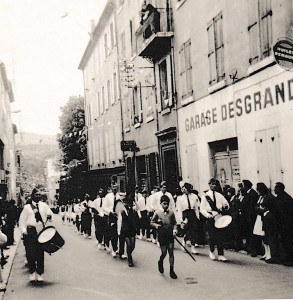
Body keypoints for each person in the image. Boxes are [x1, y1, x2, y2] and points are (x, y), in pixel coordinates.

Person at [19, 188, 53, 282]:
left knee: (40, 253)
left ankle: (39, 273)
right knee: (30, 253)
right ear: (32, 196)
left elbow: (50, 215)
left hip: (41, 231)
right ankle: (32, 272)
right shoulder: (27, 208)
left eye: (39, 194)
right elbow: (21, 221)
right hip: (30, 231)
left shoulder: (44, 206)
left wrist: (50, 216)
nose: (38, 196)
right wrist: (23, 231)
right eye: (36, 194)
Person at [200, 178, 230, 261]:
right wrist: (207, 215)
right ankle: (211, 251)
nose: (213, 186)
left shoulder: (219, 195)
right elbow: (202, 209)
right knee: (212, 236)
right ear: (209, 184)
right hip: (210, 217)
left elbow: (226, 204)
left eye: (215, 184)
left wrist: (225, 206)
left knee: (220, 236)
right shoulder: (205, 197)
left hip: (219, 216)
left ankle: (221, 254)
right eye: (212, 184)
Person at [151, 195, 178, 279]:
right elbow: (151, 222)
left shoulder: (171, 213)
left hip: (170, 235)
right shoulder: (157, 213)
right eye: (164, 203)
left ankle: (171, 270)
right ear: (160, 203)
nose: (166, 205)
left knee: (171, 252)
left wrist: (175, 230)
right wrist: (157, 226)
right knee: (164, 252)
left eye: (167, 204)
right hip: (162, 235)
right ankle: (160, 261)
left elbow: (175, 223)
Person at [254, 182, 279, 263]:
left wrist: (259, 209)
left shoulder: (268, 198)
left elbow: (264, 209)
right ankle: (266, 253)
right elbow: (258, 207)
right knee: (263, 237)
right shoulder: (261, 197)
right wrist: (259, 209)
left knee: (267, 236)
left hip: (265, 219)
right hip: (261, 218)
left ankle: (270, 254)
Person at [176, 182, 201, 254]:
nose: (184, 190)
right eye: (183, 189)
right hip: (185, 214)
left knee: (194, 231)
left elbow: (196, 207)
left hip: (192, 214)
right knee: (187, 230)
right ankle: (184, 241)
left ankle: (193, 247)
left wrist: (197, 216)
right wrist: (181, 220)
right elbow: (179, 209)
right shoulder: (180, 198)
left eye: (186, 188)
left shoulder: (194, 196)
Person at [274, 182, 293, 266]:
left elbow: (286, 213)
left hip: (286, 224)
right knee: (284, 241)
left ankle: (289, 259)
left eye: (276, 188)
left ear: (280, 189)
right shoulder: (280, 197)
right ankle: (286, 258)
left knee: (288, 241)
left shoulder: (286, 198)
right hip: (282, 224)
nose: (274, 190)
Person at [117, 195, 139, 267]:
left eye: (128, 203)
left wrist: (135, 200)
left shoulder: (132, 210)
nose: (126, 204)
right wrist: (119, 231)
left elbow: (138, 208)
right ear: (123, 203)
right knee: (129, 244)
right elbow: (119, 221)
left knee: (132, 245)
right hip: (125, 230)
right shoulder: (122, 212)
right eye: (125, 203)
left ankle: (129, 253)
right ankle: (130, 259)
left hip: (132, 230)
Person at [241, 180, 260, 257]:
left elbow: (251, 207)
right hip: (247, 217)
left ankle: (254, 250)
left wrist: (249, 217)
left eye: (243, 186)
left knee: (253, 234)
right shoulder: (248, 193)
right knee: (249, 234)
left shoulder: (252, 194)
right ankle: (250, 248)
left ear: (246, 186)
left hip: (251, 218)